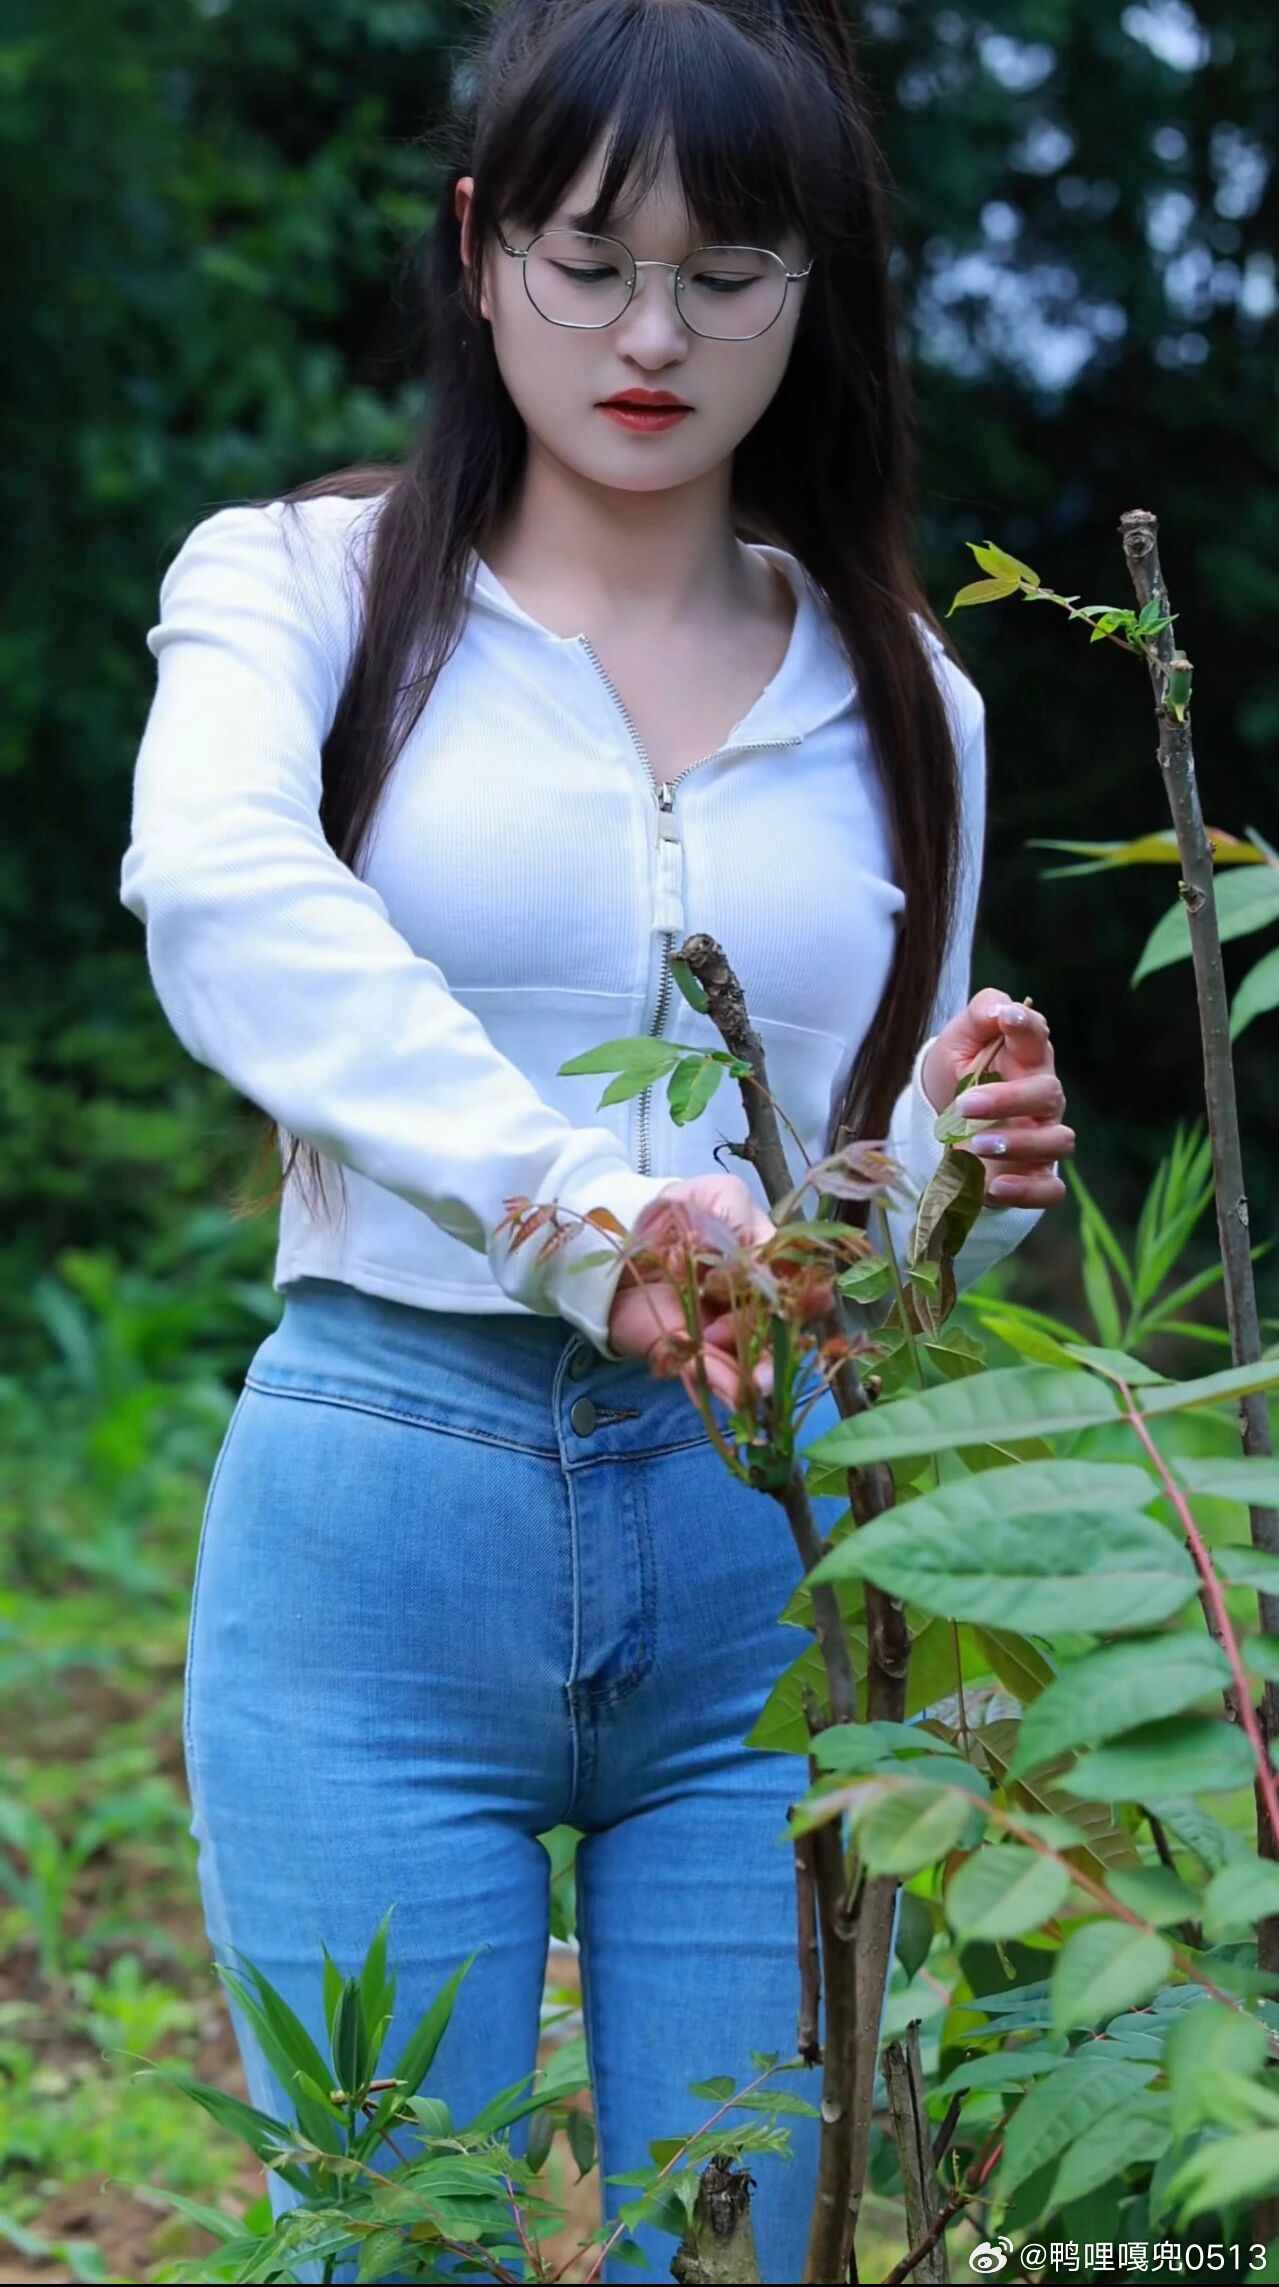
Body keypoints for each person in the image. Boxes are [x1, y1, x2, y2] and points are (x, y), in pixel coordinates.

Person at [119, 0, 1074, 2277]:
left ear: (809, 291)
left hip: (768, 1555)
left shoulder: (907, 691)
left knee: (741, 2243)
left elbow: (860, 1236)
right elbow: (221, 893)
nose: (652, 335)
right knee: (393, 2240)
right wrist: (582, 1208)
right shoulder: (301, 587)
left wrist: (958, 1168)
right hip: (377, 1521)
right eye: (588, 258)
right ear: (479, 250)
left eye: (724, 272)